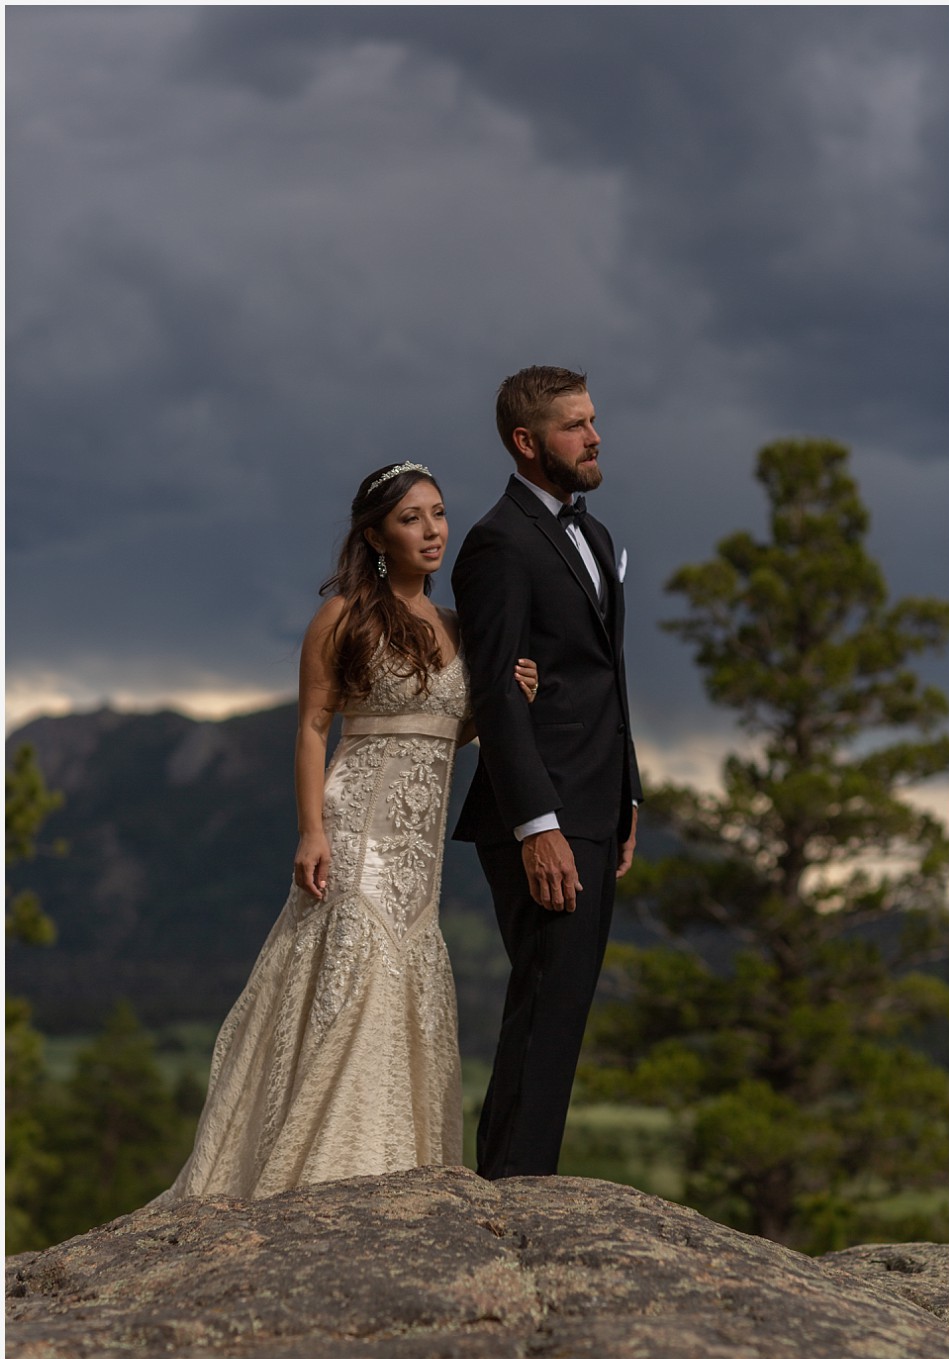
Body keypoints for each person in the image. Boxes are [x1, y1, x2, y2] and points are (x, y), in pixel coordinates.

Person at [153, 461, 539, 1202]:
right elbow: (311, 728)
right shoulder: (341, 616)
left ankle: (398, 1163)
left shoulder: (457, 625)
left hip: (419, 851)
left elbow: (438, 731)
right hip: (354, 824)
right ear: (375, 535)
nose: (431, 531)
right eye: (410, 518)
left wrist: (503, 703)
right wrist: (310, 831)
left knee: (408, 978)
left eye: (438, 513)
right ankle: (326, 1168)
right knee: (356, 971)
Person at [451, 366, 643, 1180]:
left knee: (565, 1010)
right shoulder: (497, 543)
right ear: (527, 443)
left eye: (594, 420)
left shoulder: (593, 536)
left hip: (597, 802)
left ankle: (527, 1185)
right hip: (542, 817)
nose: (595, 436)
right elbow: (496, 694)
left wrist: (628, 790)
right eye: (575, 425)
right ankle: (508, 1196)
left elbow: (605, 674)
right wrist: (539, 826)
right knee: (543, 1005)